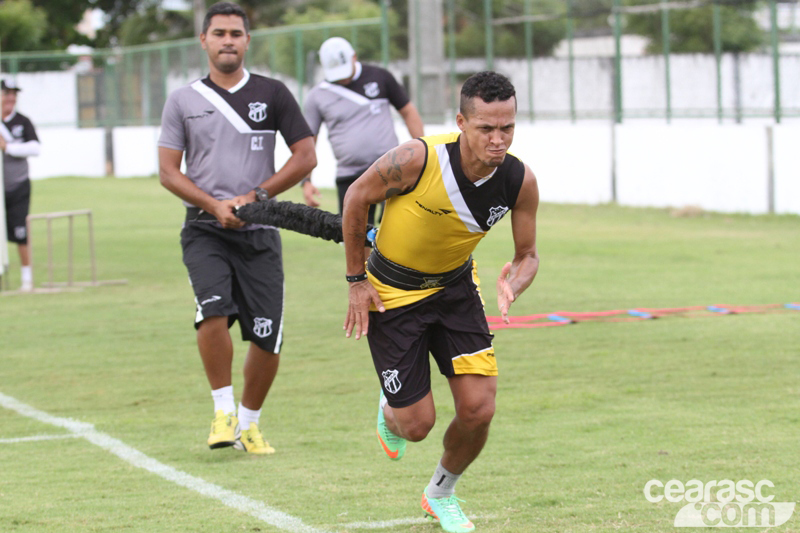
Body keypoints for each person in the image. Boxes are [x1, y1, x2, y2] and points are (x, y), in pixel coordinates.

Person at [341, 71, 539, 532]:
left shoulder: (518, 180)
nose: (498, 139)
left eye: (507, 127)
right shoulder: (417, 158)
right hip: (391, 294)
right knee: (417, 425)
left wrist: (517, 281)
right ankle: (391, 411)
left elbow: (527, 255)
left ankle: (441, 492)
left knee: (479, 409)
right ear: (461, 122)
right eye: (486, 128)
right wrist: (356, 280)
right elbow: (355, 197)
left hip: (455, 291)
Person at [157, 2, 316, 455]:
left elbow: (306, 157)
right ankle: (222, 411)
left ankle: (249, 424)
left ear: (248, 41)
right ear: (203, 40)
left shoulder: (274, 93)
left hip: (260, 230)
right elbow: (169, 172)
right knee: (213, 311)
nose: (228, 40)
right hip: (204, 228)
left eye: (236, 33)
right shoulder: (183, 100)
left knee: (267, 336)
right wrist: (213, 204)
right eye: (219, 33)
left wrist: (255, 197)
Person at [301, 36, 424, 228]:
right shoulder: (317, 96)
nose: (342, 77)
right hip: (350, 176)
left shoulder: (381, 77)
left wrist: (423, 150)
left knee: (397, 234)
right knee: (356, 238)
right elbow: (309, 141)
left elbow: (408, 111)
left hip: (392, 169)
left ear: (354, 57)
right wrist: (306, 181)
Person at [1, 79, 40, 292]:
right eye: (7, 93)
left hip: (18, 185)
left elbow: (35, 148)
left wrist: (8, 147)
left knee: (20, 232)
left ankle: (27, 279)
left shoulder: (22, 122)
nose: (10, 98)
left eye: (13, 94)